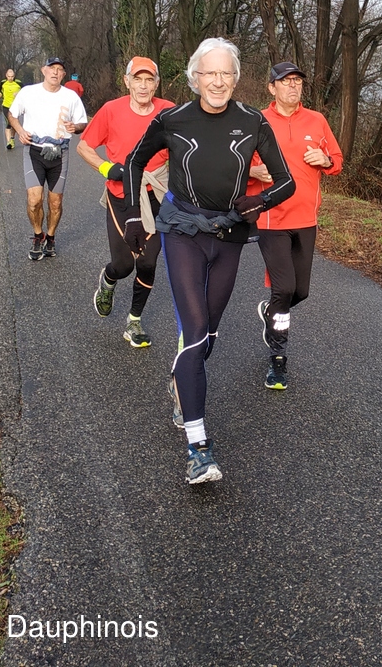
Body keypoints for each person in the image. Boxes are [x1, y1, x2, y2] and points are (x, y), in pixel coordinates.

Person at [123, 38, 295, 484]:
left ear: (236, 79)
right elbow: (133, 161)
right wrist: (132, 217)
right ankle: (198, 449)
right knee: (195, 329)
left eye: (226, 74)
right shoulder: (173, 119)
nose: (218, 82)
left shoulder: (252, 120)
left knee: (208, 336)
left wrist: (257, 203)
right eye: (209, 73)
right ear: (195, 77)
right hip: (182, 229)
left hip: (229, 234)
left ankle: (180, 384)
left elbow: (286, 182)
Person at [246, 61, 343, 389]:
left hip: (306, 219)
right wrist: (252, 172)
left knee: (300, 291)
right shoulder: (257, 121)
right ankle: (278, 357)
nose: (292, 86)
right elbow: (237, 162)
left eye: (297, 81)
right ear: (271, 88)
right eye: (285, 81)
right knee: (284, 288)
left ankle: (271, 310)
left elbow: (337, 161)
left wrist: (326, 161)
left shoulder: (317, 120)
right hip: (271, 218)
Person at [76, 57, 174, 348]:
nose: (143, 86)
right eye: (137, 79)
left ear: (157, 84)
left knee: (147, 262)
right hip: (121, 196)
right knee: (124, 265)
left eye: (149, 80)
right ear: (127, 81)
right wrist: (107, 168)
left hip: (158, 194)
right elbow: (83, 146)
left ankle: (134, 321)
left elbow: (187, 149)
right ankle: (108, 280)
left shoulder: (169, 111)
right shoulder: (111, 110)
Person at [8, 56, 88, 261]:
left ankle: (50, 237)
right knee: (34, 200)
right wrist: (20, 131)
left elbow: (82, 123)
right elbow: (12, 114)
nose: (55, 72)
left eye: (60, 69)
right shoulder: (28, 92)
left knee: (55, 202)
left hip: (60, 153)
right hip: (34, 151)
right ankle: (38, 235)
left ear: (63, 75)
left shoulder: (71, 97)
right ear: (44, 70)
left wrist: (75, 127)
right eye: (52, 68)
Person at [0, 68, 22, 149]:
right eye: (9, 76)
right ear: (6, 76)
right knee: (8, 122)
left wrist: (18, 93)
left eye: (12, 76)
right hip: (6, 106)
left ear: (14, 76)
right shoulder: (3, 82)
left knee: (13, 124)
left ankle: (12, 139)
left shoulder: (19, 83)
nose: (10, 78)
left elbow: (25, 92)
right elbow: (0, 91)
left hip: (15, 106)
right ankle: (8, 142)